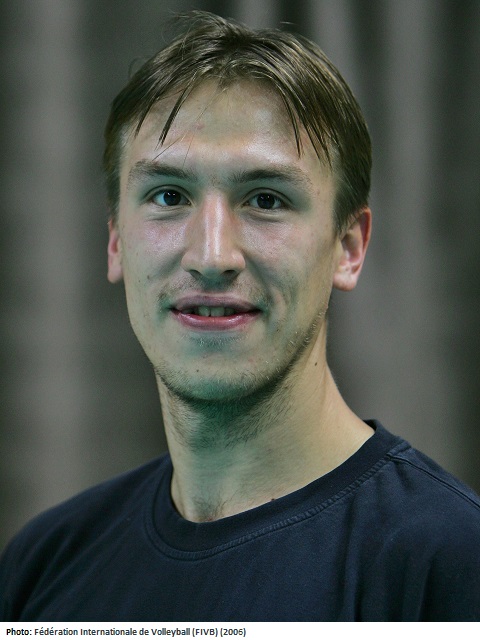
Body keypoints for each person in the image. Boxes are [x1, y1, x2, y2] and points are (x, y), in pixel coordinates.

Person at [1, 11, 479, 622]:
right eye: (168, 195)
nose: (211, 256)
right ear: (116, 240)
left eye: (265, 199)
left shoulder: (447, 563)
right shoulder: (43, 565)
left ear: (349, 247)